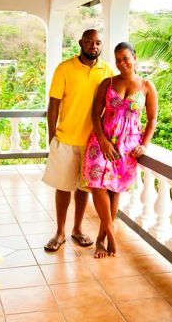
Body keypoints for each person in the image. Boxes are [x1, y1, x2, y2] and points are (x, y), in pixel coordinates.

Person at [82, 42, 158, 258]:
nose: (122, 63)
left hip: (128, 145)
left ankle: (100, 239)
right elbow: (95, 115)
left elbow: (152, 119)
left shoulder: (146, 86)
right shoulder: (108, 83)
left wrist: (145, 144)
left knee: (114, 191)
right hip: (102, 141)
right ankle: (112, 236)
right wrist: (104, 141)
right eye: (117, 59)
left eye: (125, 58)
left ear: (134, 57)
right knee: (97, 185)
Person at [42, 29, 115, 252]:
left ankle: (77, 229)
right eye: (90, 42)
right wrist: (52, 135)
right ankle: (60, 232)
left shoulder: (107, 71)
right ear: (81, 43)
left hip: (93, 142)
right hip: (66, 138)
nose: (94, 46)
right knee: (63, 187)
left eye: (98, 43)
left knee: (84, 189)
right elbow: (54, 103)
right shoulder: (65, 68)